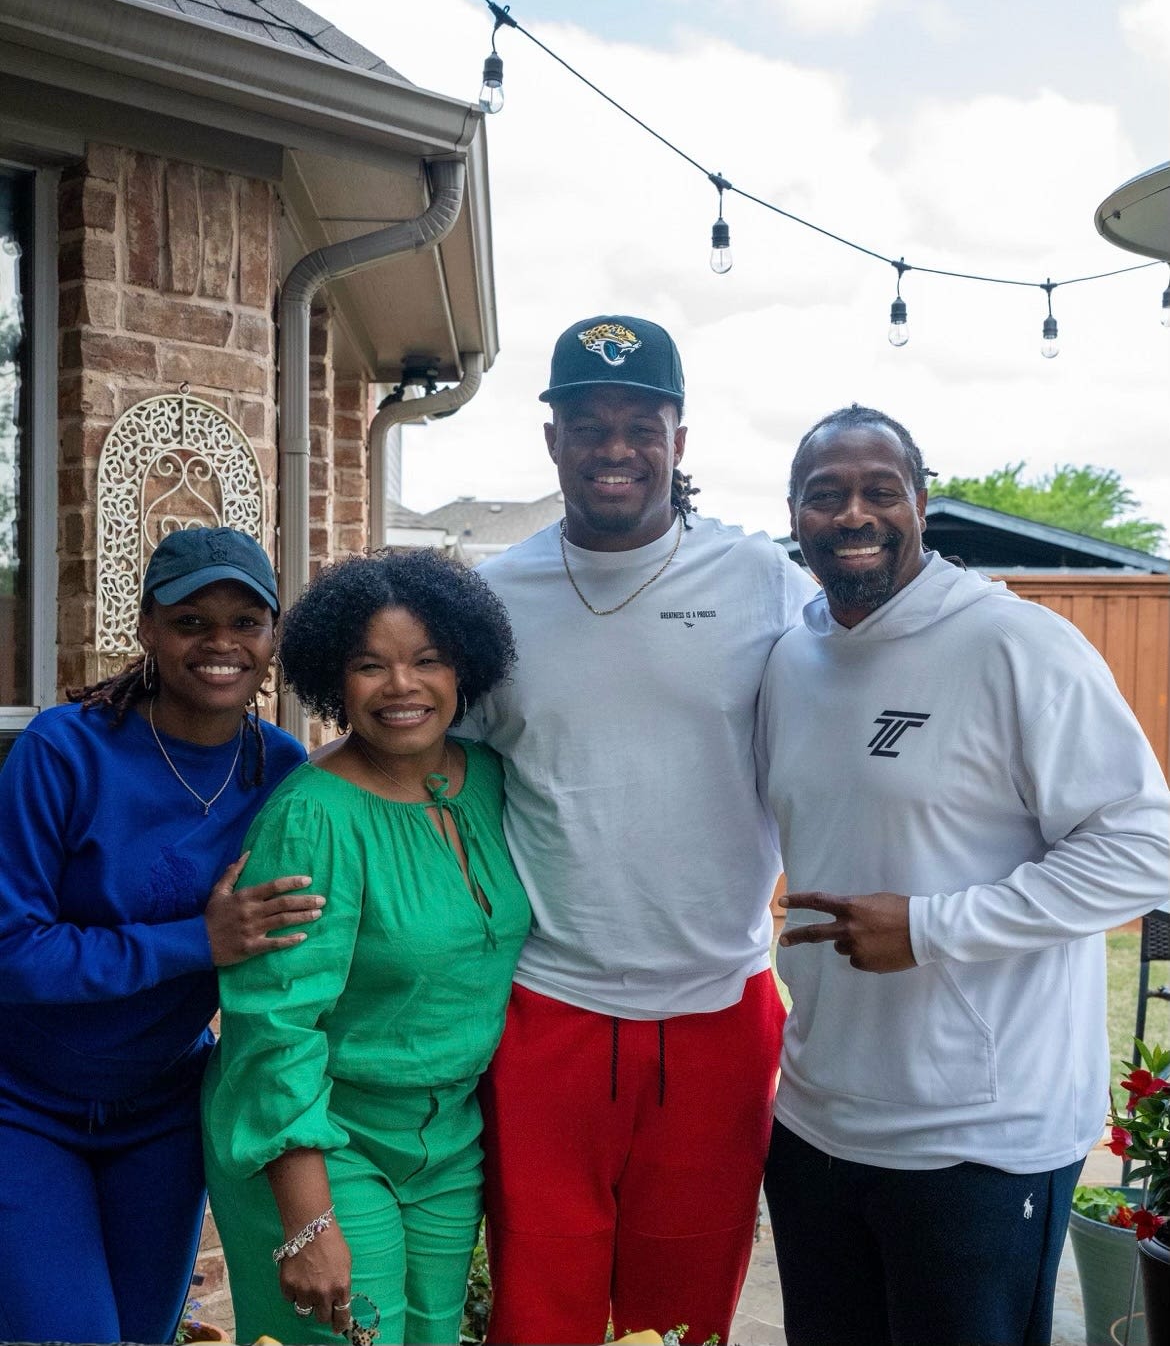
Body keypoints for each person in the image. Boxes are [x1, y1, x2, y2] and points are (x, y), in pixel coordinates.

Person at [758, 404, 1170, 1346]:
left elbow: (1144, 844)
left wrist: (933, 927)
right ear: (795, 513)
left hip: (980, 1139)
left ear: (922, 502)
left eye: (879, 489)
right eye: (825, 494)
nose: (852, 513)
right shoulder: (793, 655)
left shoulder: (1014, 645)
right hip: (819, 1117)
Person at [464, 314, 818, 1345]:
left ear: (679, 436)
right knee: (540, 1315)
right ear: (552, 441)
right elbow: (439, 763)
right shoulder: (493, 598)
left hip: (717, 1010)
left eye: (638, 422)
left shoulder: (760, 581)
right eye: (587, 422)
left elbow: (854, 697)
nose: (614, 446)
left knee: (684, 1318)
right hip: (547, 1011)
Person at [202, 548, 531, 1346]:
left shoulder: (489, 779)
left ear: (464, 667)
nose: (402, 687)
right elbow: (275, 1027)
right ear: (333, 679)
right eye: (369, 665)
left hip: (447, 1140)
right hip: (322, 1141)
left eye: (427, 660)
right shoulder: (315, 816)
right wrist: (308, 1224)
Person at [0, 525, 312, 1343]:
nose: (221, 643)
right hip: (25, 1103)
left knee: (143, 1334)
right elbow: (12, 950)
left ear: (273, 635)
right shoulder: (61, 752)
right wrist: (196, 941)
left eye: (247, 621)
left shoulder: (283, 773)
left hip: (165, 1110)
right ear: (145, 627)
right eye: (191, 619)